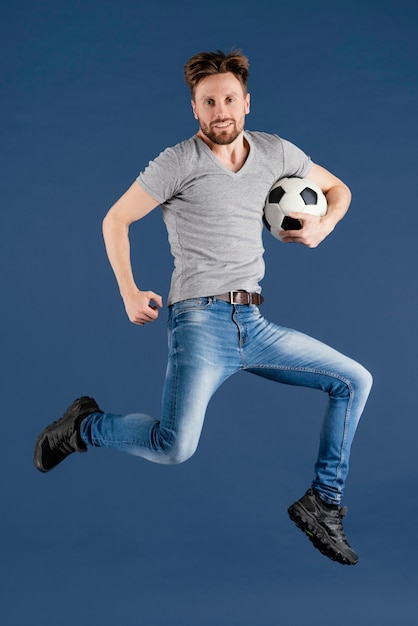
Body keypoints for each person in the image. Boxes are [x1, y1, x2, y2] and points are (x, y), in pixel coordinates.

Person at [34, 50, 372, 565]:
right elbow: (115, 220)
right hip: (199, 324)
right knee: (174, 447)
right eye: (209, 101)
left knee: (354, 380)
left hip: (254, 324)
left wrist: (321, 226)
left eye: (230, 99)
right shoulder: (178, 162)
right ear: (194, 109)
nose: (221, 110)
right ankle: (85, 426)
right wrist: (128, 290)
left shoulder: (277, 153)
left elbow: (338, 188)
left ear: (247, 103)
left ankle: (323, 502)